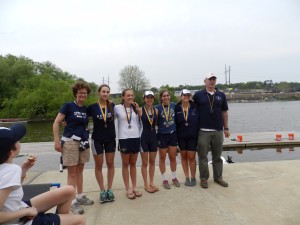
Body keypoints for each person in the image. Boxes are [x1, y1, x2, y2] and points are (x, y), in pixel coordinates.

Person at [0, 124, 86, 225]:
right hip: (20, 220)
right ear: (11, 152)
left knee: (69, 191)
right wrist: (25, 212)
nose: (20, 142)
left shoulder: (7, 168)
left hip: (18, 208)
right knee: (80, 220)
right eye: (17, 141)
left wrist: (24, 170)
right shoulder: (12, 170)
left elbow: (8, 190)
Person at [53, 82, 94, 214]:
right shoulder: (68, 106)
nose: (82, 94)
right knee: (72, 173)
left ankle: (80, 196)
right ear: (76, 93)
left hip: (82, 143)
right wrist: (56, 141)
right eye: (80, 92)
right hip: (70, 142)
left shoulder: (85, 109)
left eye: (85, 93)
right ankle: (71, 201)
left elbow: (79, 125)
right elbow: (56, 123)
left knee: (80, 171)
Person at [193, 73, 230, 189]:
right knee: (202, 156)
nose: (212, 81)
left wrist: (226, 128)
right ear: (205, 81)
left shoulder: (221, 95)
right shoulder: (198, 95)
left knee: (217, 156)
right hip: (203, 130)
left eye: (214, 79)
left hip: (218, 130)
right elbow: (191, 110)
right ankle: (204, 179)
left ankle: (218, 177)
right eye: (210, 79)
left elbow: (224, 112)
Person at [87, 84, 116, 203]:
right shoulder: (92, 107)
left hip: (110, 139)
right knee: (99, 165)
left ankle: (109, 189)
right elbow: (80, 116)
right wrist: (66, 121)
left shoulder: (112, 105)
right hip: (97, 140)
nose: (105, 94)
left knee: (110, 164)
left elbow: (127, 109)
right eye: (103, 91)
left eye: (107, 92)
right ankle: (102, 190)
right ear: (99, 93)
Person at [114, 89, 142, 199]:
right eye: (128, 95)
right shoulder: (117, 108)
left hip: (135, 137)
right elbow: (108, 119)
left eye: (131, 95)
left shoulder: (136, 108)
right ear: (123, 97)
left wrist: (140, 112)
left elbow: (141, 122)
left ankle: (134, 187)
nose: (130, 97)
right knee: (125, 164)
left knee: (133, 163)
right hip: (124, 138)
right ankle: (128, 188)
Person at [155, 90, 180, 189]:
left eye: (167, 95)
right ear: (161, 98)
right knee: (162, 158)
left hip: (172, 134)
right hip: (162, 135)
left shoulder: (174, 105)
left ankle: (174, 177)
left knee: (173, 157)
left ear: (170, 96)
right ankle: (165, 179)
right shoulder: (157, 108)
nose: (166, 97)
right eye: (164, 96)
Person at [175, 89, 199, 187]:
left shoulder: (195, 107)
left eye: (188, 95)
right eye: (184, 95)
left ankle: (193, 177)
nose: (186, 97)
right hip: (181, 137)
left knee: (191, 157)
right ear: (181, 96)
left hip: (192, 136)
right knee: (183, 157)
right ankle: (187, 177)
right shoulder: (177, 108)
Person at [138, 91, 159, 193]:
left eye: (151, 97)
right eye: (147, 97)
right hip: (143, 138)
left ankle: (151, 182)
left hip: (153, 138)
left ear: (153, 99)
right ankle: (145, 184)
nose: (149, 99)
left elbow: (156, 125)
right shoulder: (140, 110)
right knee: (145, 163)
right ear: (144, 99)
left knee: (152, 162)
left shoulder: (156, 111)